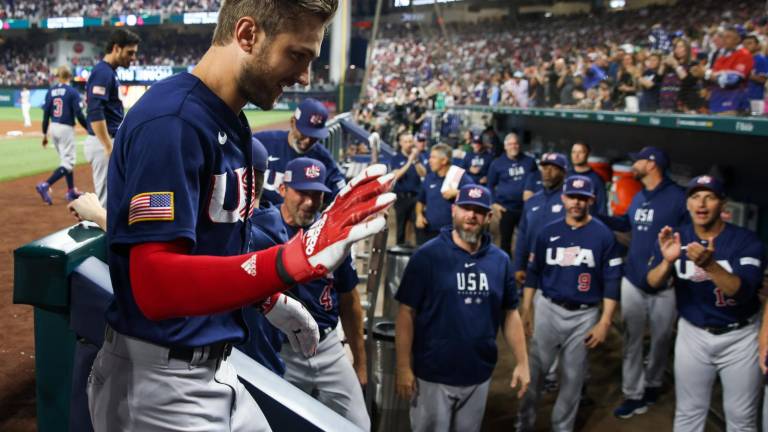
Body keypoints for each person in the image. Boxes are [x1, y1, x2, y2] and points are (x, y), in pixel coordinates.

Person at [87, 1, 396, 430]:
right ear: (248, 35)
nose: (305, 77)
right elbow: (153, 284)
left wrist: (264, 297)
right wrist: (288, 261)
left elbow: (211, 247)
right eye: (297, 55)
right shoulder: (171, 122)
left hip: (212, 366)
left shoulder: (228, 119)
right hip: (158, 384)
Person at [395, 184, 530, 432]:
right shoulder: (427, 256)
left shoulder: (500, 261)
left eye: (479, 210)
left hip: (478, 374)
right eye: (466, 208)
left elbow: (510, 313)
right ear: (454, 211)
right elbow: (406, 312)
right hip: (433, 375)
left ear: (489, 217)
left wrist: (522, 362)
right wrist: (403, 366)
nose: (471, 215)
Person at [647, 175, 765, 431]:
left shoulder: (746, 241)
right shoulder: (677, 237)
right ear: (687, 203)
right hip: (693, 334)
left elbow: (742, 292)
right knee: (688, 412)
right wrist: (667, 261)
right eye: (695, 196)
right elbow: (652, 282)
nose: (701, 203)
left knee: (741, 418)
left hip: (740, 336)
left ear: (722, 205)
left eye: (709, 197)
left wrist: (710, 266)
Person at [516, 175, 622, 432]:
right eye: (572, 197)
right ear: (563, 198)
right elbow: (533, 274)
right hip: (548, 308)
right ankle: (524, 423)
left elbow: (612, 281)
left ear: (591, 201)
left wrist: (605, 321)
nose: (576, 202)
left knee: (573, 378)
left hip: (584, 315)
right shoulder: (548, 232)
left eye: (582, 198)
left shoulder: (603, 235)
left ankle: (562, 427)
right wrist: (527, 308)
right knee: (535, 372)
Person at [276, 158, 370, 431]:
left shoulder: (331, 235)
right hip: (284, 351)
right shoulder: (265, 229)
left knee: (359, 425)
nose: (309, 201)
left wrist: (361, 365)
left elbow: (350, 302)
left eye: (316, 194)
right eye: (301, 192)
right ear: (283, 189)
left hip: (329, 347)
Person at [599, 147, 688, 419]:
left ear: (651, 165)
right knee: (632, 340)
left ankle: (652, 384)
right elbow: (626, 223)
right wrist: (598, 215)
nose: (632, 164)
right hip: (634, 279)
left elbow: (691, 234)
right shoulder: (639, 197)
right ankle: (633, 393)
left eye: (637, 160)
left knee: (661, 340)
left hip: (665, 285)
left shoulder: (677, 198)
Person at [85, 28, 141, 206]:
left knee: (117, 197)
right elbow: (95, 111)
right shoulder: (102, 72)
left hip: (108, 140)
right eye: (129, 52)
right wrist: (108, 146)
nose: (133, 58)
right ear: (116, 48)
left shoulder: (108, 72)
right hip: (103, 142)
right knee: (107, 203)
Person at [256, 98, 346, 205]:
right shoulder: (262, 143)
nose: (307, 141)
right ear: (292, 122)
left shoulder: (323, 159)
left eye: (314, 136)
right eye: (304, 133)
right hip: (260, 217)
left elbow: (341, 192)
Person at [513, 152, 568, 287]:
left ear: (563, 172)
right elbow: (522, 235)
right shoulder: (532, 201)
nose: (547, 172)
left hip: (561, 267)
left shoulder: (569, 202)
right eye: (544, 168)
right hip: (533, 266)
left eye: (553, 168)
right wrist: (519, 265)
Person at [36, 65, 89, 205]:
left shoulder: (51, 91)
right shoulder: (72, 91)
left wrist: (44, 134)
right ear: (69, 77)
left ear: (58, 76)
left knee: (65, 160)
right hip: (66, 128)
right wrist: (88, 128)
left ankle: (71, 191)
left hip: (53, 127)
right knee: (68, 162)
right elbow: (79, 113)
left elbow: (46, 114)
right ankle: (45, 185)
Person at [486, 132, 537, 256]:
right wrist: (494, 203)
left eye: (516, 144)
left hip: (526, 208)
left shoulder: (529, 161)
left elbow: (536, 180)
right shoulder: (497, 163)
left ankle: (522, 268)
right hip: (506, 209)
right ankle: (506, 269)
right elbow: (490, 185)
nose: (513, 146)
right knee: (505, 242)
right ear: (505, 146)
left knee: (527, 239)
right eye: (510, 144)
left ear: (519, 145)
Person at [415, 143, 470, 244]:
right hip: (429, 232)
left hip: (452, 233)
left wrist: (458, 192)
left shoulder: (459, 176)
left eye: (433, 157)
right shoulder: (429, 178)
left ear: (444, 160)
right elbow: (420, 201)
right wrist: (419, 215)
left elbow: (474, 195)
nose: (429, 160)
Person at [706, 25, 753, 116]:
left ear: (737, 39)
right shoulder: (721, 57)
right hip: (717, 104)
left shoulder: (744, 55)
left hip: (733, 105)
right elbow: (715, 78)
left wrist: (706, 73)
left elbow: (733, 80)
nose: (724, 40)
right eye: (723, 37)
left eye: (728, 37)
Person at [390, 132, 427, 245]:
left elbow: (423, 173)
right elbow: (396, 175)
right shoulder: (396, 158)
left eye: (410, 141)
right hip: (401, 198)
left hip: (416, 198)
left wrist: (415, 161)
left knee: (418, 227)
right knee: (401, 228)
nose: (409, 144)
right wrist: (409, 161)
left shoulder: (418, 157)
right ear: (401, 143)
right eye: (406, 142)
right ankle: (397, 255)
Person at [568, 141, 607, 215]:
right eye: (573, 152)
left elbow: (602, 208)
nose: (576, 155)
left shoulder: (596, 179)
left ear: (587, 154)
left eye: (580, 152)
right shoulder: (566, 177)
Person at [743, 34, 767, 115]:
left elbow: (763, 80)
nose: (746, 46)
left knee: (756, 122)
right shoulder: (744, 59)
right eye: (745, 44)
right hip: (743, 98)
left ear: (757, 46)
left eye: (750, 43)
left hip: (756, 99)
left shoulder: (761, 59)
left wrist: (749, 75)